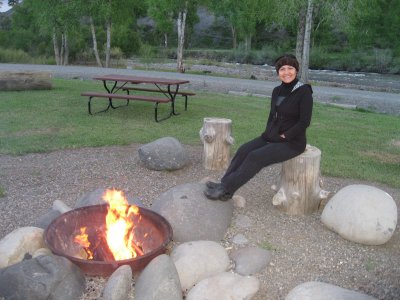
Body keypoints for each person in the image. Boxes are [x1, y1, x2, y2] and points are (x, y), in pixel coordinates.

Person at [204, 54, 313, 201]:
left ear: (296, 70)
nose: (286, 72)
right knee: (244, 150)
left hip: (292, 142)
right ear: (278, 72)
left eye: (290, 68)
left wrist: (285, 136)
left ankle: (226, 190)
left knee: (256, 157)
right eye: (282, 69)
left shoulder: (304, 91)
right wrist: (267, 134)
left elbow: (304, 122)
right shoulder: (277, 91)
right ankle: (224, 183)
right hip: (273, 136)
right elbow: (272, 115)